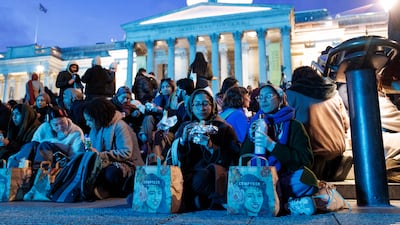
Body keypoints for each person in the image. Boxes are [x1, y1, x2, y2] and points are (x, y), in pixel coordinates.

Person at [240, 84, 318, 216]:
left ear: (280, 99)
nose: (263, 100)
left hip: (283, 177)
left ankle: (273, 202)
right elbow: (244, 156)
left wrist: (272, 145)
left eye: (268, 96)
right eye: (260, 97)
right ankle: (287, 205)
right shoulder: (254, 124)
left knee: (306, 180)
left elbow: (305, 161)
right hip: (258, 180)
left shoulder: (294, 126)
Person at [175, 89, 241, 211]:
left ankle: (199, 200)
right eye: (197, 104)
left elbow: (232, 156)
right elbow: (176, 157)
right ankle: (199, 200)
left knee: (201, 178)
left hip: (211, 174)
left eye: (205, 103)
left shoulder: (223, 127)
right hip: (188, 171)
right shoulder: (185, 127)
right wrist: (183, 141)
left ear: (212, 105)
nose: (202, 108)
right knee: (178, 179)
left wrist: (211, 146)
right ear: (191, 106)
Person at [286, 66, 351, 181]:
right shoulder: (334, 93)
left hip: (312, 158)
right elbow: (346, 124)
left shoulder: (291, 94)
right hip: (337, 154)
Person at [83, 98, 144, 199]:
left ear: (98, 117)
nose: (87, 124)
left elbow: (126, 152)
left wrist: (100, 155)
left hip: (129, 164)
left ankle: (109, 191)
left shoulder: (120, 126)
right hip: (105, 162)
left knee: (112, 173)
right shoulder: (95, 129)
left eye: (89, 120)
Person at [8, 105, 85, 168]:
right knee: (32, 145)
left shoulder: (76, 132)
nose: (60, 127)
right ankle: (16, 167)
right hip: (43, 154)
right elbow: (34, 143)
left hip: (62, 158)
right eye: (56, 125)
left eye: (62, 123)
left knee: (45, 145)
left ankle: (39, 170)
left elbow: (77, 154)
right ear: (50, 124)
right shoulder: (44, 127)